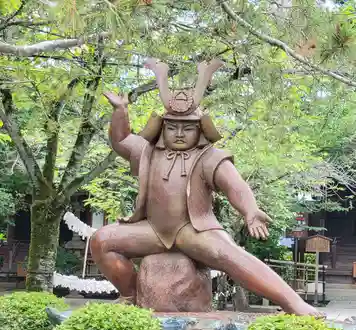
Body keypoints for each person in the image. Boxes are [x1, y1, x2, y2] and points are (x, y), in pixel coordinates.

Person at [90, 58, 319, 316]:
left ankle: (293, 303)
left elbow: (235, 186)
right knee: (102, 241)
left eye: (187, 128)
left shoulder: (210, 157)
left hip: (194, 229)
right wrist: (120, 111)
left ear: (199, 130)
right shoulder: (147, 151)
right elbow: (120, 140)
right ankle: (130, 295)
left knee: (231, 256)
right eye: (172, 127)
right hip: (152, 230)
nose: (179, 133)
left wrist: (250, 210)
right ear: (162, 128)